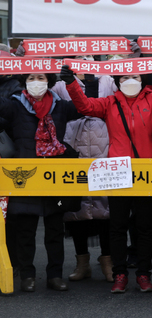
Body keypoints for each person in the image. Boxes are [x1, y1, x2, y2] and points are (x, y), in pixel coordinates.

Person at [61, 57, 152, 293]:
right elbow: (85, 107)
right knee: (118, 226)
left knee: (144, 227)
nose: (131, 81)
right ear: (117, 82)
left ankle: (143, 275)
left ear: (142, 80)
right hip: (117, 172)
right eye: (125, 78)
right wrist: (71, 83)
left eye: (135, 77)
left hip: (147, 173)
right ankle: (120, 274)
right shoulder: (110, 103)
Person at [0, 72, 84, 292]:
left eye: (41, 77)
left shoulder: (61, 106)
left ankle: (55, 275)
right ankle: (28, 276)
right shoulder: (14, 105)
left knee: (55, 229)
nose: (36, 82)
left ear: (48, 81)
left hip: (54, 175)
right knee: (25, 230)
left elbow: (83, 106)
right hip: (25, 175)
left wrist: (73, 82)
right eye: (31, 78)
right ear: (24, 81)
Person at [53, 61, 114, 283]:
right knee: (74, 209)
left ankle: (108, 261)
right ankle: (82, 263)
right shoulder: (60, 85)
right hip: (74, 147)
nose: (84, 60)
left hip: (103, 147)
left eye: (88, 55)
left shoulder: (107, 79)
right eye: (79, 56)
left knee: (106, 208)